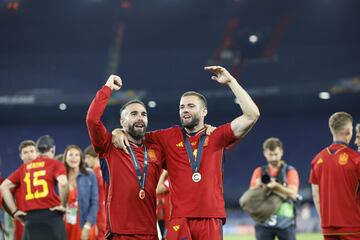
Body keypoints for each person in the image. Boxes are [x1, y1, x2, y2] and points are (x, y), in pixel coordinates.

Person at [113, 66, 260, 240]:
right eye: (182, 107)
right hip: (179, 219)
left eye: (190, 106)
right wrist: (118, 131)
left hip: (210, 217)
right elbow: (135, 134)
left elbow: (252, 114)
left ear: (204, 111)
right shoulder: (168, 136)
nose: (184, 110)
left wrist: (231, 82)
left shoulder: (217, 136)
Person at [86, 75, 164, 239]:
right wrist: (106, 89)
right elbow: (92, 120)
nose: (140, 118)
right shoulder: (109, 146)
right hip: (120, 233)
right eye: (134, 114)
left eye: (143, 114)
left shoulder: (156, 149)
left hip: (150, 232)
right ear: (122, 121)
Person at [0, 135, 69, 240]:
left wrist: (14, 212)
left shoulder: (23, 169)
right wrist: (63, 205)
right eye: (26, 152)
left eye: (31, 151)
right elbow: (63, 183)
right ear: (53, 149)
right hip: (52, 216)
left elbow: (4, 187)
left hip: (30, 219)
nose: (29, 155)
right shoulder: (55, 164)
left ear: (37, 151)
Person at [309, 112, 360, 239]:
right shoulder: (356, 159)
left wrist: (325, 220)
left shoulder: (317, 159)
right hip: (353, 227)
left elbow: (316, 195)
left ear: (332, 130)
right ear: (348, 130)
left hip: (328, 229)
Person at [249, 137, 299, 240]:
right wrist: (258, 186)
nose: (273, 158)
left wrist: (275, 186)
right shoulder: (259, 171)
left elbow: (293, 194)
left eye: (276, 154)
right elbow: (251, 196)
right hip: (263, 221)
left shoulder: (290, 171)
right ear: (264, 153)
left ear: (281, 152)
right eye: (270, 155)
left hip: (286, 221)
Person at [63, 145, 99, 240]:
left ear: (80, 158)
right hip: (65, 224)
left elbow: (94, 203)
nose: (73, 158)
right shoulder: (61, 176)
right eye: (70, 155)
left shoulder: (90, 175)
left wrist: (88, 225)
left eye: (76, 155)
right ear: (65, 158)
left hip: (85, 224)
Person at [84, 145, 106, 239]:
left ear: (95, 156)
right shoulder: (105, 170)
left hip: (97, 213)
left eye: (88, 157)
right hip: (105, 211)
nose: (85, 161)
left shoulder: (93, 174)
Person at [156, 170, 170, 240]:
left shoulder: (170, 179)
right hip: (160, 217)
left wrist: (164, 173)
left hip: (169, 222)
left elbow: (158, 189)